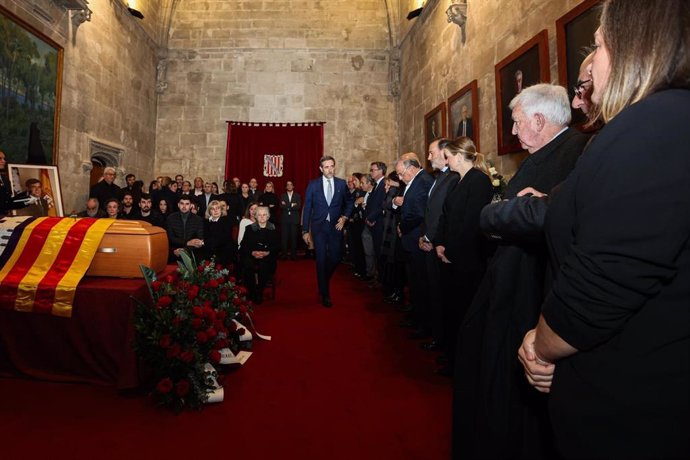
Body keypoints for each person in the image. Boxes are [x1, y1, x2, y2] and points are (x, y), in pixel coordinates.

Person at [518, 2, 689, 459]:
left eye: (597, 45)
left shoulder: (653, 125)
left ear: (636, 46)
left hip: (632, 409)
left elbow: (600, 284)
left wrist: (542, 345)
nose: (591, 61)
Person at [452, 83, 590, 460]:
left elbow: (528, 216)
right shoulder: (544, 154)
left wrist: (497, 214)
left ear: (539, 120)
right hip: (509, 281)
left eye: (516, 123)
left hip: (530, 293)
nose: (512, 132)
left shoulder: (574, 152)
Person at [433, 137, 493, 375]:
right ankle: (452, 356)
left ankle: (463, 363)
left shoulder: (478, 181)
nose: (446, 160)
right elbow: (447, 217)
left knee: (463, 311)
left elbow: (471, 224)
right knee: (452, 309)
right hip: (451, 256)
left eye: (448, 156)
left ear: (458, 156)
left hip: (467, 260)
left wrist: (452, 252)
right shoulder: (458, 181)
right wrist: (439, 243)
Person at [417, 138, 459, 355]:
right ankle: (436, 335)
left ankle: (443, 340)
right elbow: (429, 211)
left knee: (440, 294)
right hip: (428, 242)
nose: (429, 156)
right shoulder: (438, 178)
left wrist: (431, 238)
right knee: (432, 291)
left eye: (432, 152)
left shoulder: (452, 179)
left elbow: (444, 214)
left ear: (445, 153)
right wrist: (423, 236)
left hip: (437, 244)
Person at [301, 155, 354, 307]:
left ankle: (323, 279)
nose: (330, 169)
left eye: (332, 166)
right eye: (326, 167)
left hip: (336, 227)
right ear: (321, 169)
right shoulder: (313, 185)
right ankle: (325, 293)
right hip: (318, 228)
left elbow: (349, 202)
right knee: (321, 259)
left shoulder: (341, 184)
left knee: (336, 257)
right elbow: (308, 208)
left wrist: (344, 217)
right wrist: (305, 230)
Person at [395, 157, 433, 332]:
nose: (400, 178)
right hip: (410, 238)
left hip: (416, 236)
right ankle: (416, 316)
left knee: (421, 283)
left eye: (401, 174)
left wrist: (402, 226)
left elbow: (418, 213)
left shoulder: (423, 181)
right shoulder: (415, 181)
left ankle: (423, 322)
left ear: (410, 169)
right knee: (414, 282)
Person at [240, 206, 280, 304]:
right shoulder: (249, 228)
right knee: (248, 266)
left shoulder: (273, 229)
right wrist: (252, 252)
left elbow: (278, 247)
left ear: (268, 216)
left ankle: (260, 292)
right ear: (256, 216)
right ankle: (252, 292)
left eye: (264, 215)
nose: (262, 217)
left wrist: (267, 252)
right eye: (259, 215)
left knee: (264, 266)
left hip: (268, 257)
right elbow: (243, 245)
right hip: (252, 255)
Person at [166, 196, 204, 263]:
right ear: (178, 205)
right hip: (174, 253)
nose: (184, 206)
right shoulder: (170, 218)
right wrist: (187, 243)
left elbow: (199, 240)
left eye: (187, 204)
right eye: (182, 203)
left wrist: (184, 250)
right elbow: (170, 238)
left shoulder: (198, 220)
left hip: (192, 254)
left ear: (191, 205)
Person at [201, 200, 236, 267]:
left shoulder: (226, 221)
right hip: (210, 247)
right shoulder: (205, 221)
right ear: (209, 211)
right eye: (213, 209)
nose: (215, 210)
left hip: (223, 249)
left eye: (218, 208)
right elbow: (204, 235)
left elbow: (221, 239)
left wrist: (203, 243)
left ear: (221, 210)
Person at [280, 180, 301, 260]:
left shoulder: (297, 196)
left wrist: (287, 205)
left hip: (294, 220)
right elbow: (281, 206)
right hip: (284, 220)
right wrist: (292, 205)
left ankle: (293, 255)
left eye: (290, 184)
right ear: (286, 187)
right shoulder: (282, 195)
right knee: (284, 238)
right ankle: (284, 255)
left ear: (293, 186)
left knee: (293, 238)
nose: (289, 186)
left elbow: (298, 206)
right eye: (287, 185)